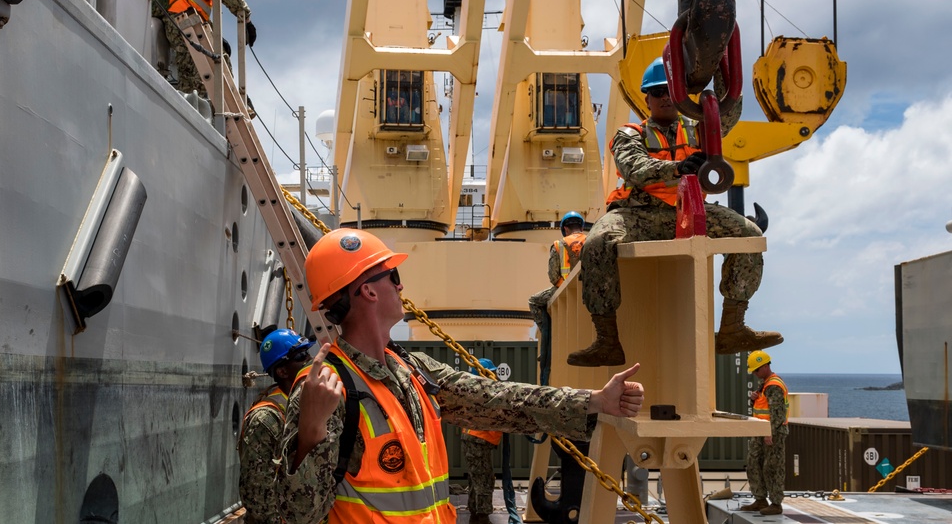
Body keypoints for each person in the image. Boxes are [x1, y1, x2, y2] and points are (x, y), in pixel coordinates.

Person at [277, 228, 645, 524]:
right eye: (393, 275)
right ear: (368, 291)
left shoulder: (412, 369)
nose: (401, 286)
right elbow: (296, 514)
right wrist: (311, 432)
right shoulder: (326, 389)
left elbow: (497, 400)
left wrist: (595, 401)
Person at [571, 57, 783, 367]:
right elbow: (635, 169)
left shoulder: (701, 129)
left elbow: (729, 109)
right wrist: (677, 168)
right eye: (657, 92)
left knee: (748, 235)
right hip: (637, 214)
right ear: (647, 98)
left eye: (671, 90)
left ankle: (732, 329)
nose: (665, 97)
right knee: (597, 243)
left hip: (688, 210)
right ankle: (607, 341)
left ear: (683, 94)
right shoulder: (630, 134)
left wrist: (723, 61)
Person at [238, 329, 314, 524]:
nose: (310, 359)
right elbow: (258, 496)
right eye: (300, 355)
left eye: (308, 352)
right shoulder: (265, 419)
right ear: (282, 371)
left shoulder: (305, 404)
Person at [529, 211, 586, 383]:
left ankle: (546, 330)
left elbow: (554, 277)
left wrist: (564, 287)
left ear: (565, 229)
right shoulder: (591, 240)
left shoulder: (559, 244)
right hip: (591, 289)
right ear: (581, 227)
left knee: (534, 300)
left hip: (566, 289)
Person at [739, 349, 789, 516]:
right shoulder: (765, 384)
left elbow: (777, 414)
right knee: (753, 462)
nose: (755, 373)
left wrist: (770, 433)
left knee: (772, 467)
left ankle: (776, 503)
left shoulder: (774, 385)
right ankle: (760, 499)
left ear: (765, 366)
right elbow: (763, 407)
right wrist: (753, 398)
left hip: (772, 432)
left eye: (756, 370)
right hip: (761, 431)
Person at [460, 358, 502, 524]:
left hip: (473, 438)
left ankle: (474, 514)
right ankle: (482, 517)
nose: (495, 375)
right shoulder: (486, 391)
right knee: (484, 479)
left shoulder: (471, 390)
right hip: (479, 439)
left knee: (475, 478)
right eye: (492, 371)